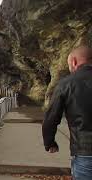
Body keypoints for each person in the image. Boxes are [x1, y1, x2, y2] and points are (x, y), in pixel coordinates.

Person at [42, 46, 92, 180]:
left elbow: (51, 117)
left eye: (69, 65)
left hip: (85, 152)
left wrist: (50, 142)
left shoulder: (66, 84)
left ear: (74, 62)